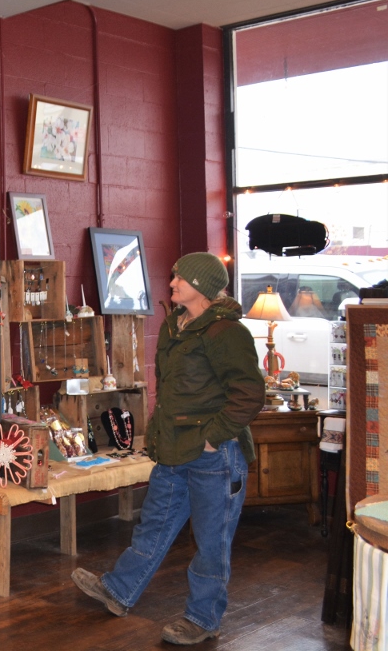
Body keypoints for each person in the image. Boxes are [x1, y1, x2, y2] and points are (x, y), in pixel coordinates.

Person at [71, 252, 263, 645]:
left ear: (203, 287)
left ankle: (203, 618)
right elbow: (173, 394)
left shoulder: (226, 332)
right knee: (153, 527)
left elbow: (248, 394)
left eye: (181, 278)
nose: (172, 282)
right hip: (174, 451)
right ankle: (119, 590)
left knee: (212, 542)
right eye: (173, 275)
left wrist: (213, 438)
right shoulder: (177, 325)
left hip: (215, 457)